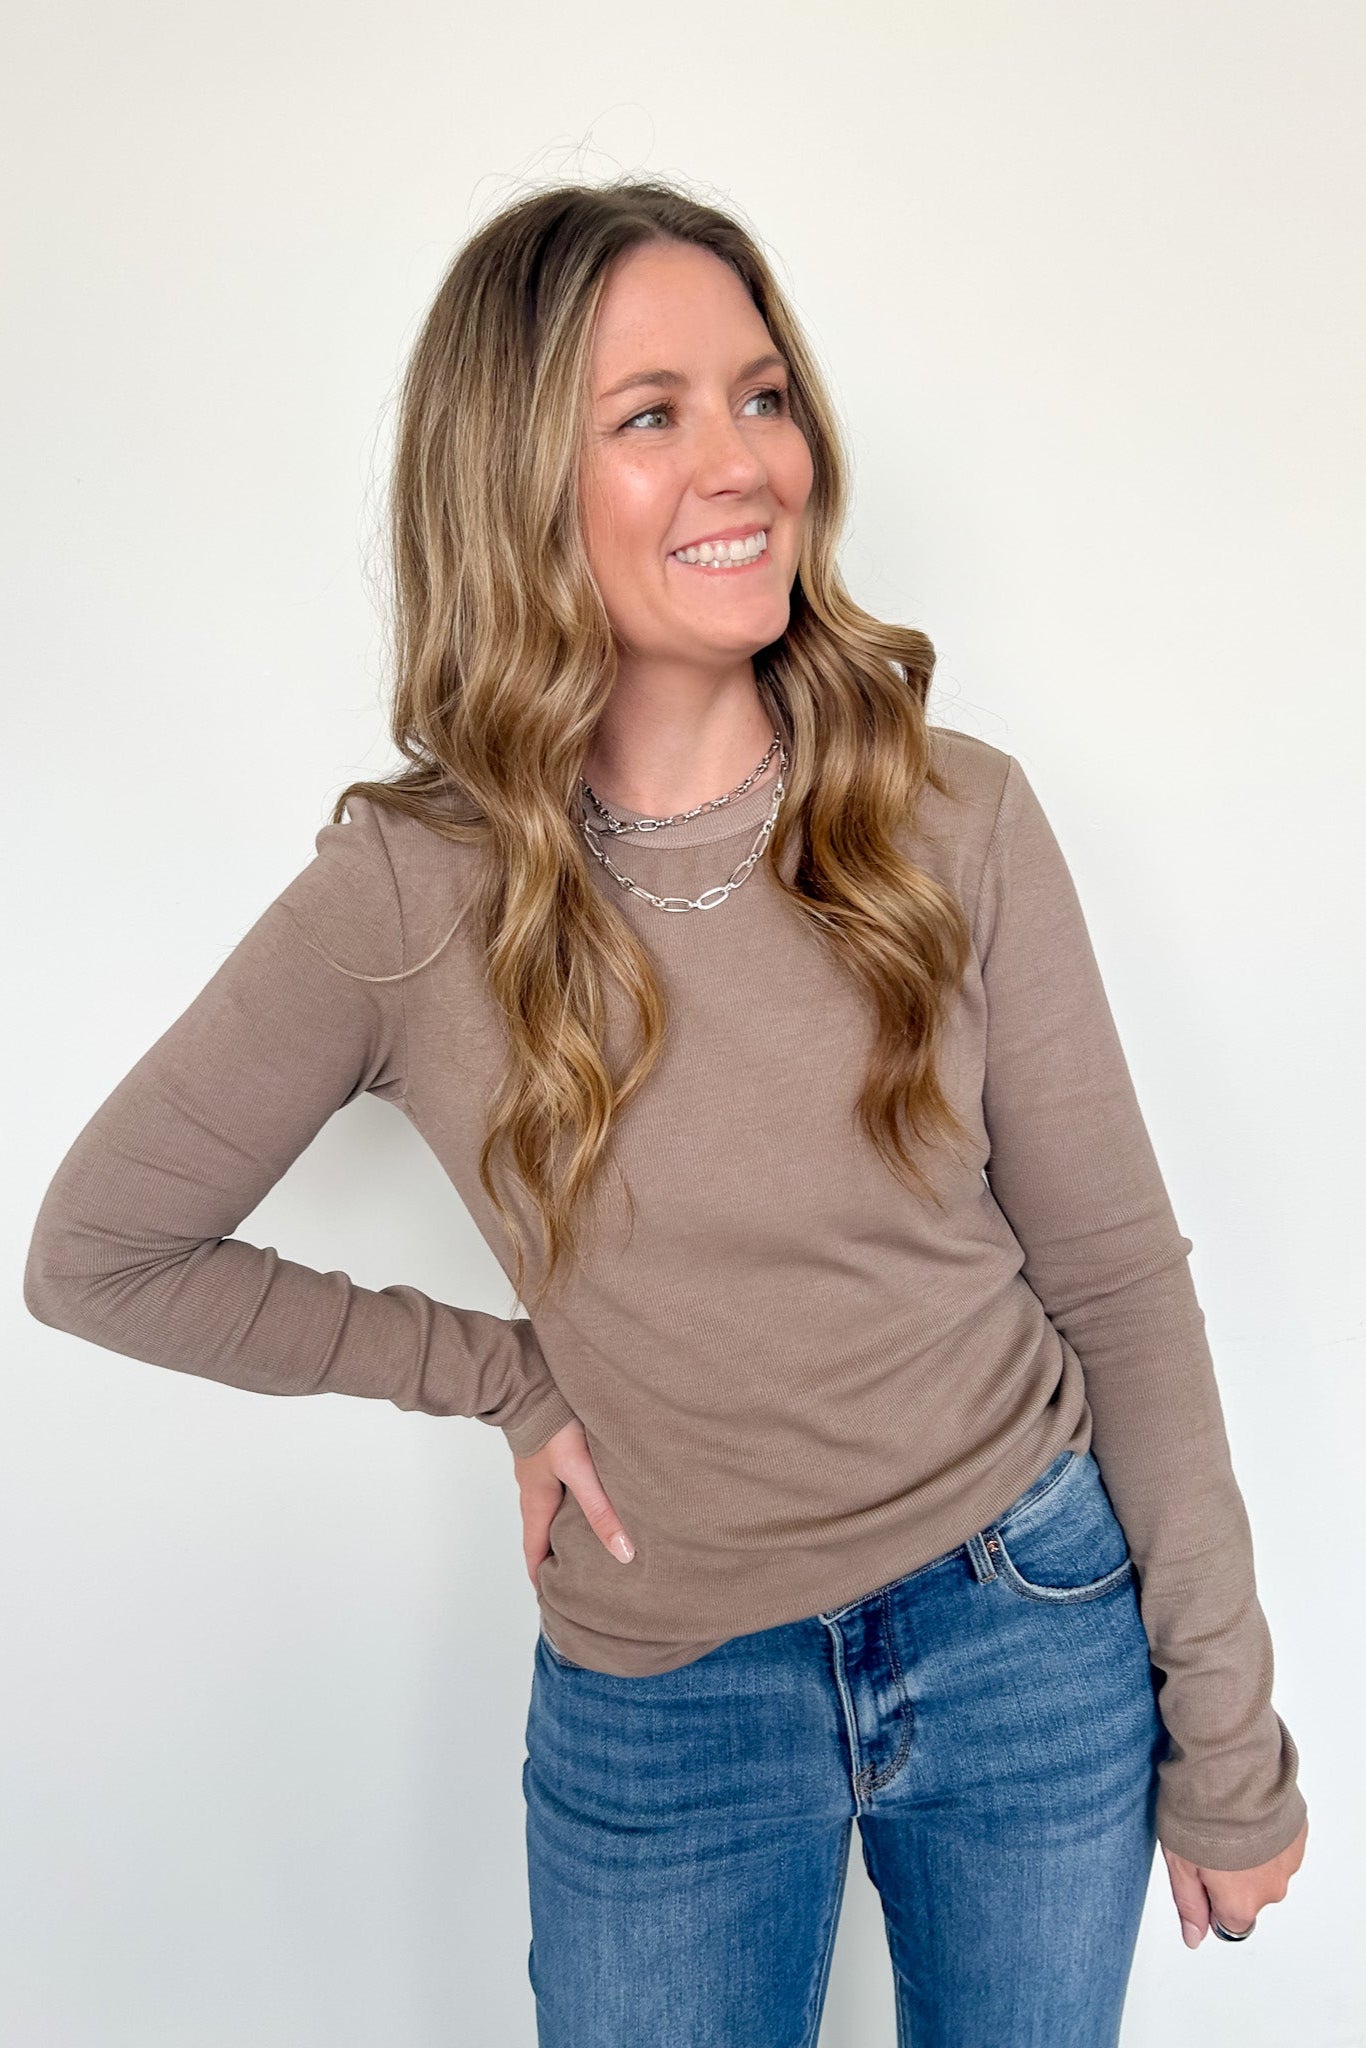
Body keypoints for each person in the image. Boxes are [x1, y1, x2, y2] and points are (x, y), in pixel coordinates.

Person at [23, 177, 1308, 2046]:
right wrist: (504, 1377)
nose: (745, 463)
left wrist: (1229, 1736)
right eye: (653, 415)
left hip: (1028, 1614)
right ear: (517, 486)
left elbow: (1116, 1284)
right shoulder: (408, 896)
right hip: (665, 1692)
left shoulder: (957, 816)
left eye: (764, 396)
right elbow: (101, 1253)